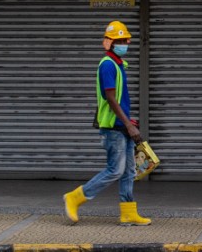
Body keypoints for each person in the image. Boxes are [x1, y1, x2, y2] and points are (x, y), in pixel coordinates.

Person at [63, 21, 151, 226]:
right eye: (119, 40)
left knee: (129, 171)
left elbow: (118, 99)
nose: (124, 44)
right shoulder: (108, 65)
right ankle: (75, 197)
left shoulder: (118, 65)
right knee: (115, 170)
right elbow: (110, 98)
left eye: (125, 40)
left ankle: (128, 212)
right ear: (109, 43)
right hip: (113, 127)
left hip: (122, 125)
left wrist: (129, 121)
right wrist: (128, 125)